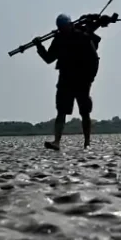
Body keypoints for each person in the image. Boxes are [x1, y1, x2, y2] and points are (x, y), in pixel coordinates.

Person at [33, 14, 102, 150]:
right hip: (65, 80)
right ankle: (57, 142)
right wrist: (39, 46)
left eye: (65, 27)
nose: (63, 30)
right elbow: (49, 58)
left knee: (85, 112)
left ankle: (87, 142)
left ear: (70, 25)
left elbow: (94, 59)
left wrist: (90, 78)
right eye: (60, 28)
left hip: (82, 80)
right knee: (61, 111)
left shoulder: (82, 37)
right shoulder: (58, 39)